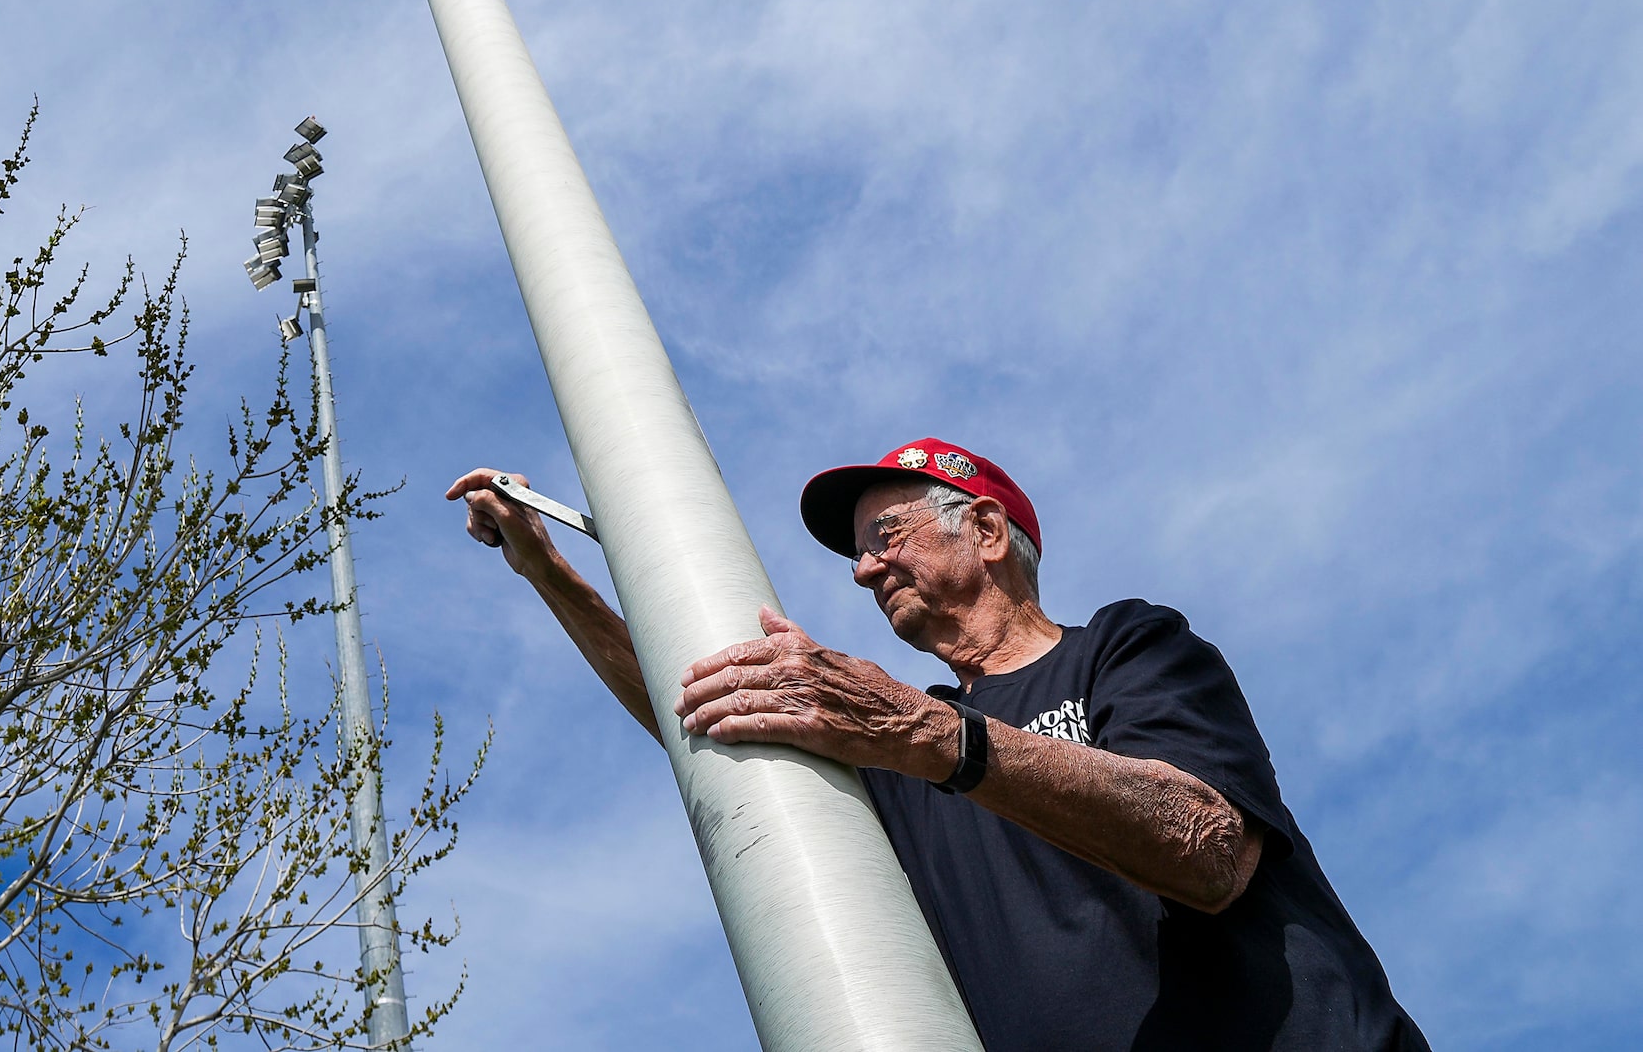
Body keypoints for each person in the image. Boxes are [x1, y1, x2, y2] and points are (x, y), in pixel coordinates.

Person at [446, 439, 1427, 1052]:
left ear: (987, 530)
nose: (865, 569)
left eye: (889, 535)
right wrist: (543, 568)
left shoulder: (1122, 648)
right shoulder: (886, 744)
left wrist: (926, 735)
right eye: (858, 554)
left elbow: (1207, 851)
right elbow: (692, 708)